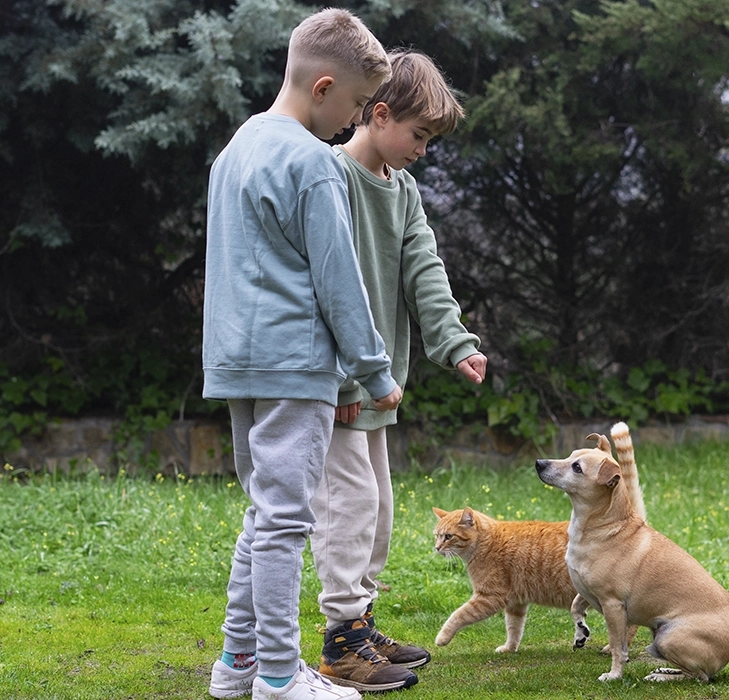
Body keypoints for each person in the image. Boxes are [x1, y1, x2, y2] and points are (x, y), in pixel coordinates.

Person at [202, 9, 411, 700]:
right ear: (324, 87)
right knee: (286, 524)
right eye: (354, 106)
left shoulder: (234, 150)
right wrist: (374, 372)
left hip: (238, 364)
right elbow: (339, 283)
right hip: (296, 371)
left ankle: (236, 666)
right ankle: (280, 676)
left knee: (265, 515)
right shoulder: (313, 163)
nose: (352, 121)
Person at [309, 49, 488, 693]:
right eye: (418, 135)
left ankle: (363, 625)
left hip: (378, 382)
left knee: (378, 508)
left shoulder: (402, 189)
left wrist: (455, 343)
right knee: (348, 510)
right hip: (341, 385)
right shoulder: (330, 177)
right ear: (378, 114)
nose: (422, 150)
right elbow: (321, 287)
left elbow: (424, 273)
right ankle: (341, 644)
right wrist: (342, 380)